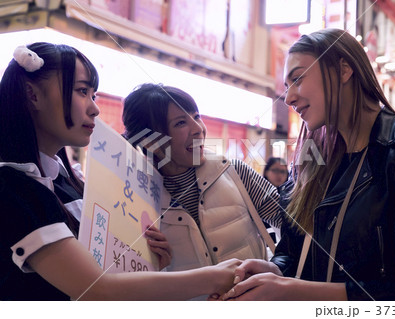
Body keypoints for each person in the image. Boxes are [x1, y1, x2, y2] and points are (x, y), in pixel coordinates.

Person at [221, 28, 395, 301]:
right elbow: (292, 253)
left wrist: (293, 291)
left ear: (343, 70)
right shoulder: (311, 162)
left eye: (298, 79)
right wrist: (274, 270)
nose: (289, 98)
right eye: (287, 86)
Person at [0, 42, 240, 300]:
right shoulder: (12, 188)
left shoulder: (67, 182)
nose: (95, 108)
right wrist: (214, 277)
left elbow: (101, 278)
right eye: (82, 91)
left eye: (94, 95)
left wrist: (146, 263)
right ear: (32, 94)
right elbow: (97, 289)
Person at [122, 83, 283, 273]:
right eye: (181, 123)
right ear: (151, 142)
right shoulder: (136, 199)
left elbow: (293, 227)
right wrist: (158, 269)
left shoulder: (234, 172)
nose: (199, 128)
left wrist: (278, 268)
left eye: (196, 116)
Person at [262, 157, 289, 243]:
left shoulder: (288, 195)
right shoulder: (259, 193)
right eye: (275, 170)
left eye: (283, 171)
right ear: (266, 172)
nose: (279, 175)